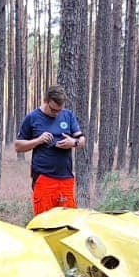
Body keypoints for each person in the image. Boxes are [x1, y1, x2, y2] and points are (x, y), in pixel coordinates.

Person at [15, 85, 85, 216]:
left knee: (68, 222)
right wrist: (38, 140)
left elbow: (82, 140)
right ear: (46, 100)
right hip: (44, 178)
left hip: (66, 179)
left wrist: (73, 142)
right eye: (53, 110)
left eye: (60, 110)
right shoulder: (32, 117)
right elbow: (18, 146)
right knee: (44, 223)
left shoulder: (68, 115)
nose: (57, 113)